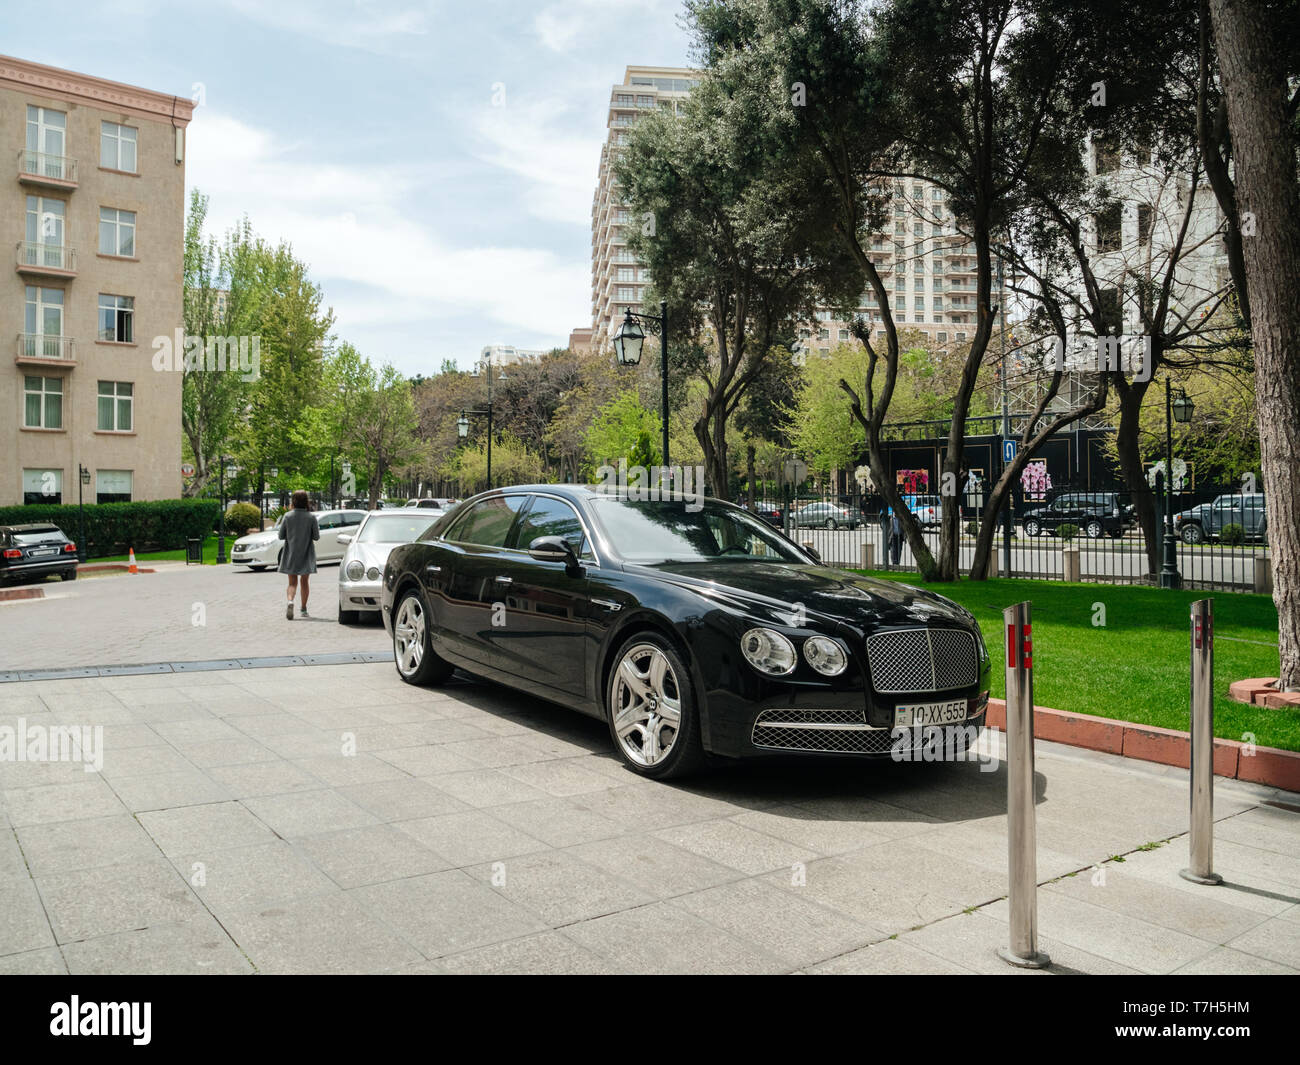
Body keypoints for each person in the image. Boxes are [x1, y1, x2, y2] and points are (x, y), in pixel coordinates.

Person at [278, 490, 319, 619]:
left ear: (293, 501)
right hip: (306, 553)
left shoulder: (287, 516)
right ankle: (303, 609)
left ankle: (290, 601)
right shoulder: (311, 517)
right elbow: (316, 537)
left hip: (291, 553)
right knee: (305, 581)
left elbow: (281, 536)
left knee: (292, 582)